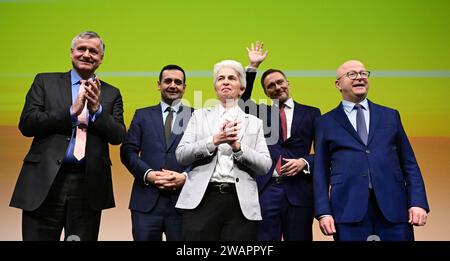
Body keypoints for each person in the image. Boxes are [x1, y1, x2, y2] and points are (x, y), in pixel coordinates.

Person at [9, 31, 126, 241]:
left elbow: (118, 135)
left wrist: (97, 110)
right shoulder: (45, 81)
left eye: (94, 51)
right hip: (45, 181)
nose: (87, 54)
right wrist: (71, 112)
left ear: (101, 58)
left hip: (88, 185)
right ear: (72, 53)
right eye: (82, 49)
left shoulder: (111, 93)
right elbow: (27, 124)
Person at [313, 60, 430, 241]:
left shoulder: (390, 115)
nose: (359, 77)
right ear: (338, 84)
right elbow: (320, 171)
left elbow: (409, 163)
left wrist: (417, 202)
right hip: (347, 210)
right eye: (352, 74)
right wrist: (323, 212)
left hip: (394, 208)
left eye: (363, 73)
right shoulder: (325, 122)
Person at [175, 60, 271, 241]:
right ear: (216, 88)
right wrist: (213, 141)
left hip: (240, 202)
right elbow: (181, 155)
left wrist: (238, 148)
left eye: (231, 78)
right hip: (202, 200)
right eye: (221, 78)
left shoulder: (254, 123)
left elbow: (265, 165)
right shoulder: (199, 116)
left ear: (242, 88)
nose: (225, 82)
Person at [241, 42, 321, 241]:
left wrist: (305, 162)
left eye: (280, 82)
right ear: (266, 92)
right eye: (270, 86)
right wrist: (252, 67)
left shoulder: (312, 113)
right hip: (267, 189)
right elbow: (240, 101)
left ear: (288, 83)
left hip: (299, 190)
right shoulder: (259, 112)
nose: (277, 87)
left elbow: (323, 151)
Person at [120, 64, 192, 241]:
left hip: (184, 201)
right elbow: (128, 150)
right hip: (146, 201)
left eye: (178, 82)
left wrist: (185, 176)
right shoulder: (141, 115)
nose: (173, 85)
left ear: (184, 87)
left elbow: (205, 156)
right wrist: (148, 174)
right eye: (168, 81)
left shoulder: (197, 116)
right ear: (159, 84)